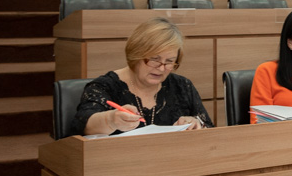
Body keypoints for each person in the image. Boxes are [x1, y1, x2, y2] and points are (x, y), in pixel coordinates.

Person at [70, 18, 211, 135]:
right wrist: (110, 120)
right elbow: (83, 127)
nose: (161, 68)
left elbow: (209, 129)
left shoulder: (182, 86)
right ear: (136, 55)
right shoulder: (104, 86)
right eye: (154, 59)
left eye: (169, 62)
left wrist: (196, 124)